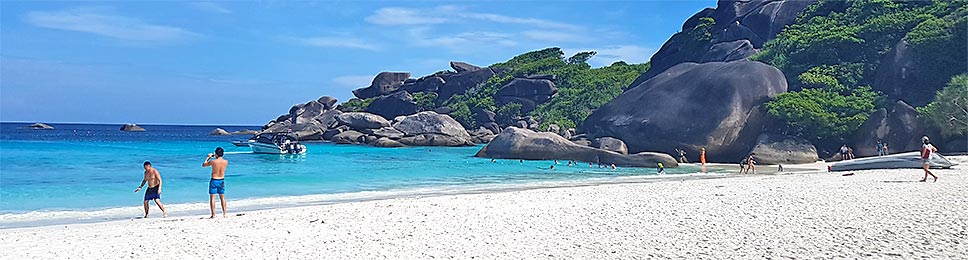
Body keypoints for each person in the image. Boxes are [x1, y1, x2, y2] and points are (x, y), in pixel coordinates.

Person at [202, 147, 229, 218]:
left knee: (212, 198)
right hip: (222, 180)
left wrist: (208, 157)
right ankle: (224, 213)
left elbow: (204, 165)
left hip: (214, 180)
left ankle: (213, 214)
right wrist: (215, 156)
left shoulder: (213, 162)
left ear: (216, 154)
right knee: (222, 197)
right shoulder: (226, 162)